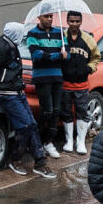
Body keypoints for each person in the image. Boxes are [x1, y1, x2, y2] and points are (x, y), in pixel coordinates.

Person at [0, 23, 50, 176]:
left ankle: (40, 162)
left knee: (32, 125)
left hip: (16, 91)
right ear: (16, 34)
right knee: (25, 126)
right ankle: (15, 160)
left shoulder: (12, 46)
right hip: (6, 93)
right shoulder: (2, 48)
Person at [24, 8, 70, 154]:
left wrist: (61, 54)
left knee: (56, 111)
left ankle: (49, 142)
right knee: (47, 110)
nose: (49, 19)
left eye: (51, 16)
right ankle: (34, 139)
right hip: (41, 77)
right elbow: (37, 54)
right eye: (46, 16)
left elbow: (67, 55)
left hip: (57, 76)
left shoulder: (60, 33)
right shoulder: (32, 34)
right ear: (39, 17)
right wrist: (57, 55)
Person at [61, 16, 100, 153]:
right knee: (66, 112)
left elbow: (96, 57)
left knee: (82, 112)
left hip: (82, 84)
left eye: (77, 21)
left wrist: (89, 68)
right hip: (65, 83)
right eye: (72, 21)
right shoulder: (61, 37)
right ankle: (69, 141)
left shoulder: (88, 40)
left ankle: (81, 142)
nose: (74, 24)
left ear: (81, 22)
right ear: (67, 21)